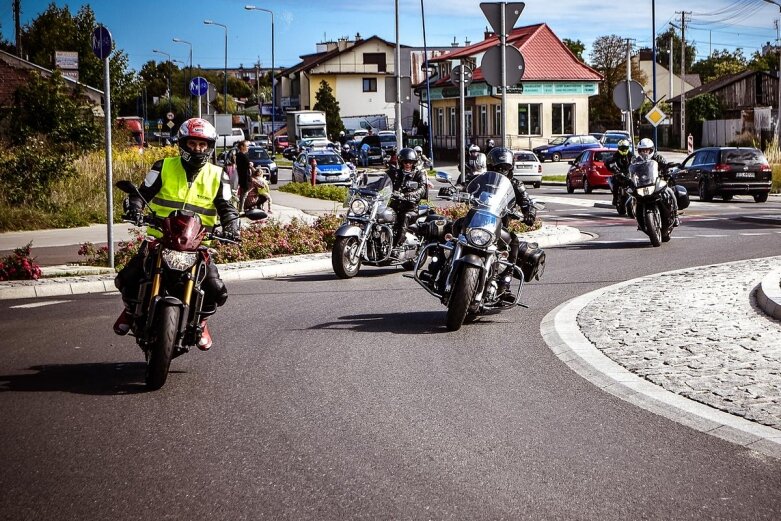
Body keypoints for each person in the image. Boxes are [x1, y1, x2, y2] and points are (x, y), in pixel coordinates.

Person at [113, 118, 239, 351]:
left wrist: (232, 226)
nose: (198, 149)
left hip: (197, 243)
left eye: (203, 145)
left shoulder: (218, 175)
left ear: (209, 147)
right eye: (193, 144)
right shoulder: (163, 166)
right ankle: (130, 311)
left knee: (216, 288)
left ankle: (201, 321)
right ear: (182, 144)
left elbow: (227, 207)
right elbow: (141, 194)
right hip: (160, 238)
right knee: (126, 278)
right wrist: (135, 209)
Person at [485, 147, 541, 294]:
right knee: (454, 228)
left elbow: (526, 201)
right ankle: (444, 266)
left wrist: (530, 212)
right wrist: (454, 190)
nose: (502, 170)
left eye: (506, 167)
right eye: (499, 167)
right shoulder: (483, 179)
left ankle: (505, 280)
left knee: (513, 242)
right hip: (478, 220)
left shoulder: (515, 184)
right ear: (491, 166)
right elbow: (466, 186)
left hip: (498, 227)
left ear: (511, 168)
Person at [635, 137, 680, 226]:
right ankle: (640, 221)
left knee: (670, 191)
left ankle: (675, 215)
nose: (645, 153)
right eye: (642, 150)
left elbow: (665, 166)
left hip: (657, 182)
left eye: (647, 150)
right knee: (634, 198)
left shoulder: (658, 158)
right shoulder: (637, 161)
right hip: (643, 184)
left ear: (652, 150)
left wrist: (667, 170)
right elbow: (633, 171)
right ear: (639, 151)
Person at [386, 147, 426, 247]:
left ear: (414, 163)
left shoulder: (418, 174)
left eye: (410, 162)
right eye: (405, 162)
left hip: (410, 207)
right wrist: (365, 187)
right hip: (395, 205)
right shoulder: (395, 173)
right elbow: (382, 180)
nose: (408, 164)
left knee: (405, 217)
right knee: (382, 215)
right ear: (401, 162)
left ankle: (397, 245)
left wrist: (409, 195)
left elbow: (422, 189)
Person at [605, 139, 633, 207]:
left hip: (628, 172)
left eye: (625, 148)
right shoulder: (616, 155)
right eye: (622, 148)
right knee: (616, 183)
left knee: (634, 183)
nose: (624, 150)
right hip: (619, 173)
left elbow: (636, 162)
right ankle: (615, 198)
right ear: (619, 148)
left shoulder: (630, 155)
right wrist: (613, 169)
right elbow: (608, 162)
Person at [235, 140, 253, 210]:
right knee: (244, 194)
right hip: (244, 177)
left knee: (243, 193)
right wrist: (251, 165)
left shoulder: (240, 155)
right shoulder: (242, 155)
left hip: (242, 177)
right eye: (247, 146)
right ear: (242, 147)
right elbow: (248, 165)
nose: (248, 148)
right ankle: (241, 208)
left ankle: (242, 207)